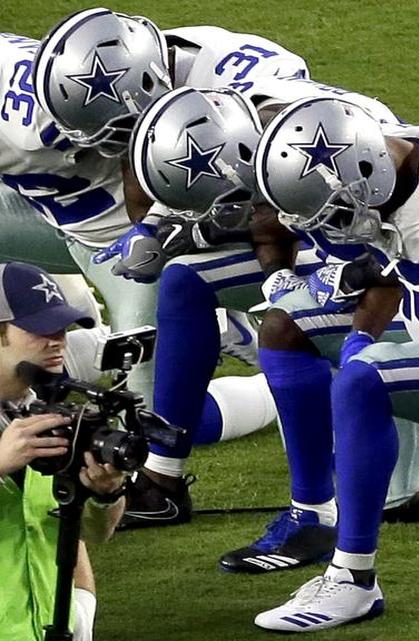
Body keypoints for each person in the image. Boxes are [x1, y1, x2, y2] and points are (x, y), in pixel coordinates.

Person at [128, 81, 419, 591]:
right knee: (293, 331)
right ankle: (328, 528)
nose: (292, 223)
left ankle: (355, 564)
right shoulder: (298, 154)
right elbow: (299, 231)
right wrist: (291, 281)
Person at [30, 7, 312, 527]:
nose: (106, 147)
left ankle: (281, 385)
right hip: (228, 216)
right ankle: (166, 469)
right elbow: (140, 185)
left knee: (145, 396)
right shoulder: (141, 85)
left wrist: (177, 233)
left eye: (117, 130)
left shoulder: (255, 88)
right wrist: (153, 230)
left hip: (305, 227)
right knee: (167, 315)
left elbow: (278, 207)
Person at [241, 95, 419, 632]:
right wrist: (362, 328)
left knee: (364, 380)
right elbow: (394, 259)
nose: (333, 230)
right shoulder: (378, 157)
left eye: (338, 213)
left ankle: (352, 578)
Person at [0, 261, 127, 641]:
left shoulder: (49, 414)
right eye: (40, 329)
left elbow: (88, 532)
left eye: (62, 327)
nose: (58, 339)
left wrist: (106, 494)